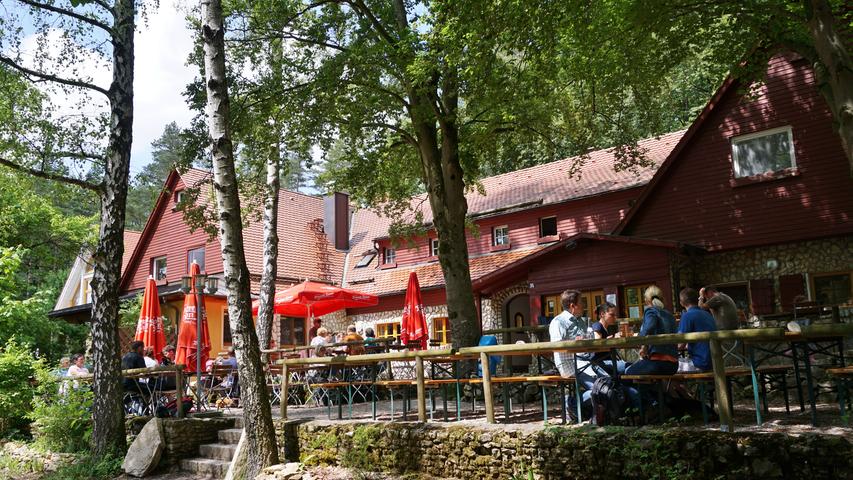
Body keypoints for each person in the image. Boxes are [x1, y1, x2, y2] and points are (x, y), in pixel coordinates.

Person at [549, 290, 597, 405]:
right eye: (581, 302)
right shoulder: (558, 321)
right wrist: (574, 343)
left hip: (586, 361)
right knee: (599, 389)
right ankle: (571, 403)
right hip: (569, 364)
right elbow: (556, 345)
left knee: (609, 382)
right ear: (572, 306)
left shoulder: (581, 321)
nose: (584, 305)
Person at [625, 286, 678, 376]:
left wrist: (638, 338)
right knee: (632, 367)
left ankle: (644, 390)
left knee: (627, 371)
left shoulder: (651, 311)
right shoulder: (669, 314)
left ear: (646, 300)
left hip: (657, 363)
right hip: (673, 365)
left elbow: (649, 327)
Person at [677, 288, 717, 371]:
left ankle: (680, 385)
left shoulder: (687, 316)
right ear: (696, 300)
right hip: (715, 362)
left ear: (681, 303)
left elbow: (680, 345)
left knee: (668, 367)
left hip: (699, 363)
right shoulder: (707, 314)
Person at [590, 302, 628, 375]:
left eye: (615, 315)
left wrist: (612, 339)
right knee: (630, 367)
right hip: (601, 363)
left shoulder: (606, 328)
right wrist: (611, 340)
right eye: (612, 315)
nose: (615, 317)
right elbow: (597, 345)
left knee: (630, 367)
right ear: (602, 314)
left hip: (608, 361)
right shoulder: (597, 326)